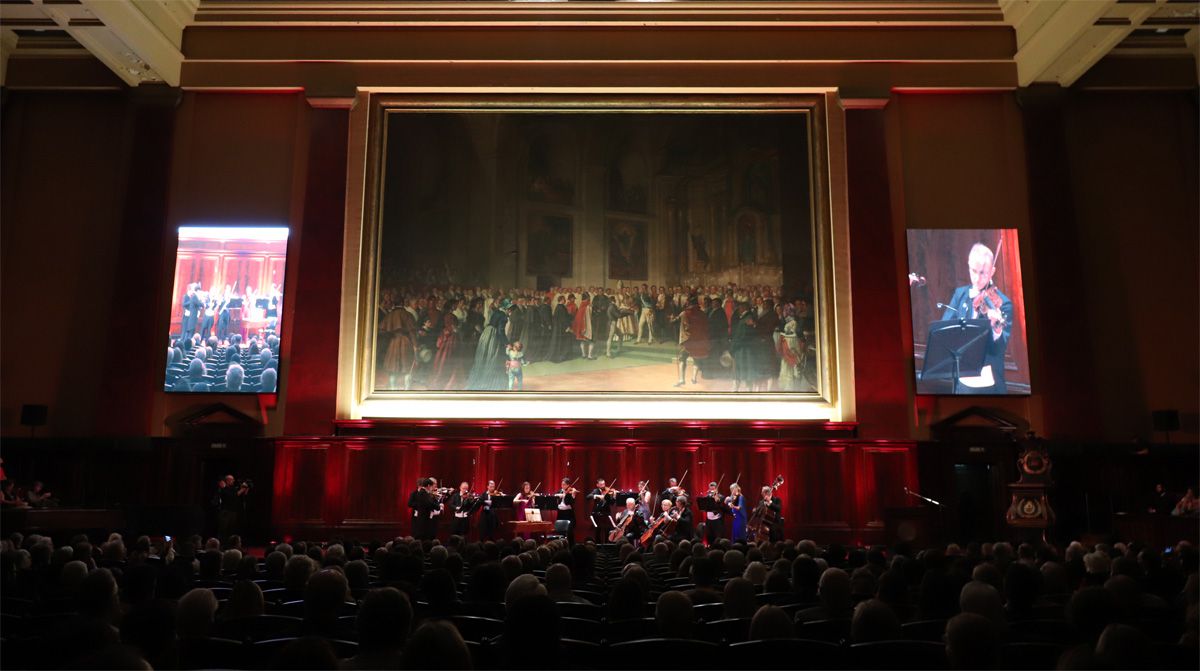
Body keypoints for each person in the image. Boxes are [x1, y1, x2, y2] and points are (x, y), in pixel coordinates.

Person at [940, 242, 1014, 394]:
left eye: (983, 273)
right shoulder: (960, 295)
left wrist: (996, 329)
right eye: (973, 271)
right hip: (961, 381)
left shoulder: (1003, 304)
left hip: (988, 384)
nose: (977, 278)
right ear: (968, 266)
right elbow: (944, 331)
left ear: (992, 271)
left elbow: (998, 350)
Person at [671, 295, 710, 386]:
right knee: (696, 359)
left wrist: (672, 319)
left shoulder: (684, 313)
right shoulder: (702, 313)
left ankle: (681, 379)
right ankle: (693, 379)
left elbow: (675, 322)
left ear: (688, 303)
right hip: (699, 340)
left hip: (688, 341)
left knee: (682, 358)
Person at [217, 474, 249, 541]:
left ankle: (229, 544)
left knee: (231, 530)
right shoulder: (224, 489)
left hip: (233, 511)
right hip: (225, 512)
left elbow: (241, 496)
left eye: (233, 479)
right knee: (223, 529)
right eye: (232, 479)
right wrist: (241, 490)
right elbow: (232, 496)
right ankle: (221, 544)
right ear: (227, 480)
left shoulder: (233, 488)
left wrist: (245, 489)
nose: (233, 481)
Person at [589, 479, 615, 544]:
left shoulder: (608, 491)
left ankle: (607, 545)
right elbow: (588, 496)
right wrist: (597, 496)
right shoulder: (595, 491)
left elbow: (611, 503)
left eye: (604, 484)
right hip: (597, 514)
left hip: (606, 513)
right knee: (597, 531)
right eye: (601, 484)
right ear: (597, 485)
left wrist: (614, 496)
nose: (603, 486)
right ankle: (598, 546)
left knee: (607, 531)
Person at [555, 478, 576, 544]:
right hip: (560, 514)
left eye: (564, 484)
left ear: (568, 485)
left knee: (569, 531)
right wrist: (559, 496)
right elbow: (555, 498)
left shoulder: (571, 492)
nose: (562, 486)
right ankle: (561, 546)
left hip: (568, 514)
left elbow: (571, 502)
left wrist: (573, 495)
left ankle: (571, 546)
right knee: (560, 531)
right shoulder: (560, 491)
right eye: (562, 484)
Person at [704, 481, 725, 545]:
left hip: (717, 520)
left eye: (713, 489)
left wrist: (715, 496)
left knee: (718, 537)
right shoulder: (708, 496)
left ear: (716, 488)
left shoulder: (721, 496)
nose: (711, 490)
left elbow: (719, 503)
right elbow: (704, 504)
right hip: (709, 520)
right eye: (710, 489)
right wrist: (707, 496)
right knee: (709, 536)